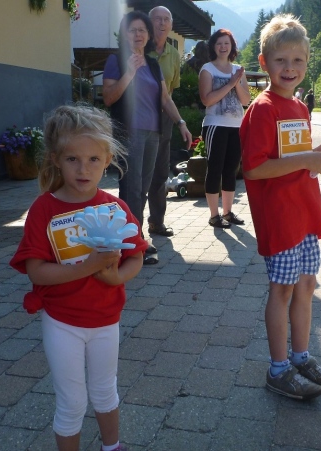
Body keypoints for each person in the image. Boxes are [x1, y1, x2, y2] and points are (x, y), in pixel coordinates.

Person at [10, 104, 147, 451]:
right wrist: (87, 267)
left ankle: (112, 446)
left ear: (107, 160)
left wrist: (116, 278)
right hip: (63, 322)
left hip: (106, 320)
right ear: (55, 159)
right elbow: (36, 270)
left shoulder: (114, 208)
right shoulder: (44, 209)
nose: (83, 169)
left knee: (105, 391)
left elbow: (136, 256)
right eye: (73, 159)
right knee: (72, 401)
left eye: (93, 159)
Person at [240, 14, 321, 400]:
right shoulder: (262, 108)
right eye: (281, 60)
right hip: (280, 217)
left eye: (298, 60)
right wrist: (306, 159)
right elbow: (254, 169)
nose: (290, 67)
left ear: (307, 63)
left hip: (303, 213)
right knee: (282, 289)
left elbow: (295, 157)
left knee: (305, 286)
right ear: (264, 62)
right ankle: (278, 369)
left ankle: (301, 358)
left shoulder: (300, 107)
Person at [103, 10, 191, 265]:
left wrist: (181, 123)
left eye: (142, 30)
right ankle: (134, 243)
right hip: (129, 133)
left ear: (148, 35)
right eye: (133, 30)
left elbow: (165, 98)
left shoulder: (153, 64)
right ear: (125, 34)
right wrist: (129, 72)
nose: (138, 34)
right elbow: (108, 97)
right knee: (131, 188)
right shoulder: (116, 61)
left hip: (153, 133)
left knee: (142, 188)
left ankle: (133, 236)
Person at [199, 29, 251, 228]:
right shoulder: (207, 69)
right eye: (219, 43)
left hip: (236, 126)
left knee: (231, 170)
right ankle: (214, 215)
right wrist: (230, 83)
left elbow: (245, 101)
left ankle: (228, 213)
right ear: (213, 46)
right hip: (215, 126)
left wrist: (236, 82)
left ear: (232, 47)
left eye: (226, 43)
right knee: (215, 169)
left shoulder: (238, 70)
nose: (223, 47)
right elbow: (207, 99)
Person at [147, 6, 183, 238]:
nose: (162, 23)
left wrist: (177, 120)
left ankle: (157, 222)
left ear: (171, 25)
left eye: (166, 19)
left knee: (161, 172)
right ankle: (132, 226)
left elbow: (170, 91)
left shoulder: (174, 55)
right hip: (140, 117)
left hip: (164, 118)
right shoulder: (141, 49)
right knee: (139, 173)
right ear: (149, 23)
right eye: (157, 19)